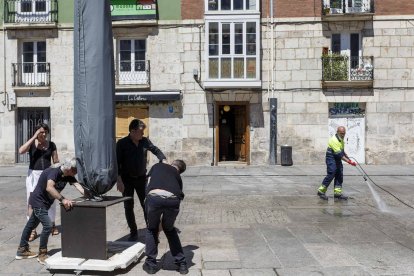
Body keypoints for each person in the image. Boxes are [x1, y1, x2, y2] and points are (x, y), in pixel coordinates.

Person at [15, 158, 86, 265]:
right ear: (70, 169)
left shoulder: (68, 175)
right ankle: (42, 254)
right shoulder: (54, 172)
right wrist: (63, 199)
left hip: (44, 203)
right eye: (76, 171)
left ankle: (22, 250)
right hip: (39, 202)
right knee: (48, 226)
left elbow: (77, 185)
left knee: (31, 224)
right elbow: (49, 188)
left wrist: (89, 196)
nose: (76, 173)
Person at [116, 119, 167, 241]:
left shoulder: (144, 141)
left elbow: (155, 150)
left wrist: (163, 159)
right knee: (128, 206)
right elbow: (117, 163)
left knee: (147, 205)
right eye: (141, 132)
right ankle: (133, 232)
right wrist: (119, 180)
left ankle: (151, 232)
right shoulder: (121, 143)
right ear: (133, 131)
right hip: (126, 180)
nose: (143, 134)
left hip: (141, 179)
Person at [142, 160, 188, 275]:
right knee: (169, 229)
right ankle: (182, 264)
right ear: (180, 171)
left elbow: (147, 183)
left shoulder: (157, 166)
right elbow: (179, 194)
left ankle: (151, 264)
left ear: (172, 163)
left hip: (154, 198)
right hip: (173, 201)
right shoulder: (177, 176)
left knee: (152, 229)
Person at [18, 123, 60, 241]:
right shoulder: (31, 144)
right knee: (31, 201)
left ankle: (52, 224)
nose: (44, 134)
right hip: (33, 175)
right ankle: (32, 229)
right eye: (41, 131)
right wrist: (33, 137)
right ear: (37, 132)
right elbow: (21, 151)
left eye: (45, 131)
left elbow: (56, 161)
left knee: (50, 199)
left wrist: (56, 174)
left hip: (47, 174)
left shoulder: (51, 145)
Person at [317, 126, 356, 200]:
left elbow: (341, 150)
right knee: (332, 173)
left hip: (337, 157)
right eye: (341, 133)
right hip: (331, 158)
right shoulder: (334, 140)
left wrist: (346, 155)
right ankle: (321, 191)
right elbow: (339, 154)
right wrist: (349, 162)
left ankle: (337, 194)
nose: (343, 135)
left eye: (344, 133)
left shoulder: (341, 139)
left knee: (339, 174)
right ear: (337, 132)